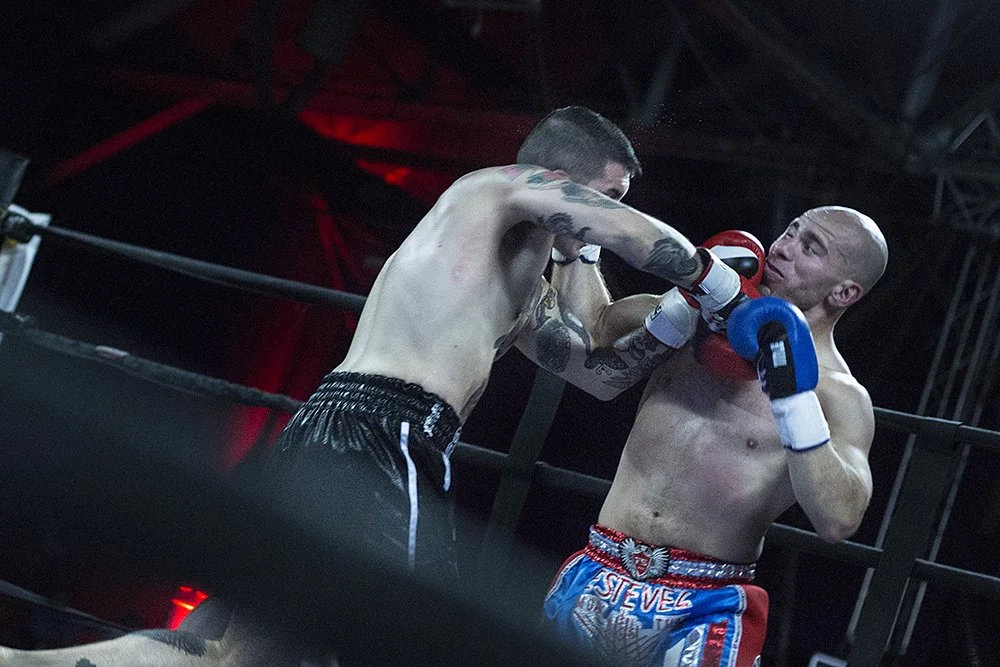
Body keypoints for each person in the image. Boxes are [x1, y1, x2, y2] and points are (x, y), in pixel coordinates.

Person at [0, 106, 755, 666]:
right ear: (561, 181)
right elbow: (627, 234)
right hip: (380, 434)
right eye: (608, 196)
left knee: (234, 650)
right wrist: (710, 276)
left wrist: (682, 315)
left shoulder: (529, 273)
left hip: (355, 430)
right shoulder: (490, 192)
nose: (607, 219)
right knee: (424, 634)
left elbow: (592, 369)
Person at [522, 207, 888, 666]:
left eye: (811, 247)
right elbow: (594, 329)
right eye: (792, 231)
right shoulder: (696, 317)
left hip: (704, 602)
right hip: (599, 567)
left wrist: (794, 400)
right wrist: (578, 252)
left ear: (845, 291)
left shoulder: (837, 395)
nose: (784, 248)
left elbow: (839, 519)